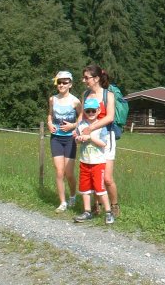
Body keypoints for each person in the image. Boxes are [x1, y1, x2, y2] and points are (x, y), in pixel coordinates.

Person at [79, 64, 120, 218]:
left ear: (96, 79)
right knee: (92, 173)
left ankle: (114, 205)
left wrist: (92, 128)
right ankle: (98, 205)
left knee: (107, 178)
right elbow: (82, 116)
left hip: (106, 139)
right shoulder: (85, 95)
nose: (84, 80)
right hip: (89, 140)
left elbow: (110, 117)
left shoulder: (108, 95)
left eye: (86, 77)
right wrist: (77, 129)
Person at [73, 97, 115, 224]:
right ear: (85, 111)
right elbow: (75, 138)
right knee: (84, 189)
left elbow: (103, 143)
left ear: (98, 111)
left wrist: (90, 137)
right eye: (88, 111)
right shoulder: (81, 124)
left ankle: (108, 212)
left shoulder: (101, 126)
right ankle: (87, 212)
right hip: (84, 161)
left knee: (100, 189)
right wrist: (79, 139)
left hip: (98, 163)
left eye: (93, 111)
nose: (90, 113)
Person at [46, 71, 82, 213]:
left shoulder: (75, 101)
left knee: (69, 173)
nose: (61, 85)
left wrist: (73, 126)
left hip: (69, 140)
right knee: (59, 172)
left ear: (70, 84)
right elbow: (50, 114)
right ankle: (62, 202)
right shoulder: (52, 99)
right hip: (56, 138)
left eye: (64, 82)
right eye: (59, 82)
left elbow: (81, 117)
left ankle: (73, 195)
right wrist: (49, 123)